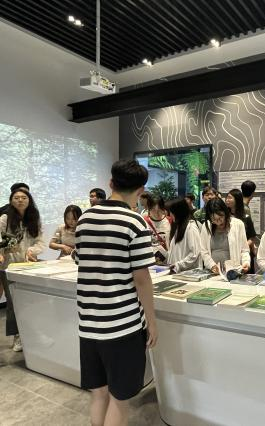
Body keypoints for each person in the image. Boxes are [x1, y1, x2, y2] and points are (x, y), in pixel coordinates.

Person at [74, 159, 157, 426]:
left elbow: (82, 261)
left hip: (88, 325)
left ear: (111, 183)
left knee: (98, 394)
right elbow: (141, 279)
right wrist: (152, 322)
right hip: (123, 326)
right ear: (141, 190)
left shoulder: (85, 218)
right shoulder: (135, 222)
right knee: (120, 400)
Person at [0, 188, 45, 352]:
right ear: (11, 201)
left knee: (30, 301)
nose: (20, 200)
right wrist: (2, 251)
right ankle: (18, 336)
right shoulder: (5, 218)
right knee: (13, 302)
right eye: (16, 197)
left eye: (24, 197)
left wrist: (32, 251)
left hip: (28, 266)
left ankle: (32, 334)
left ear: (29, 200)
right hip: (9, 267)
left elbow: (40, 241)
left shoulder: (34, 218)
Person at [200, 198, 250, 274]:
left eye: (221, 217)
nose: (218, 222)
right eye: (214, 219)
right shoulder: (206, 226)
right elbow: (204, 251)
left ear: (225, 212)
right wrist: (212, 265)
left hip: (233, 272)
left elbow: (244, 250)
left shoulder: (238, 224)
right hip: (213, 272)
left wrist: (246, 262)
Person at [166, 198, 201, 272]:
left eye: (171, 212)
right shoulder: (178, 227)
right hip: (177, 272)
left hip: (188, 273)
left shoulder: (191, 227)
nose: (170, 215)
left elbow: (194, 253)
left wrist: (178, 265)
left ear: (179, 212)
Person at [225, 189, 257, 257]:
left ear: (237, 199)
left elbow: (252, 237)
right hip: (230, 252)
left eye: (230, 197)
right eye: (226, 197)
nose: (227, 200)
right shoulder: (225, 217)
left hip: (244, 253)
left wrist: (243, 247)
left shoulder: (246, 217)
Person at [143, 195, 171, 263]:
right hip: (151, 261)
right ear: (148, 209)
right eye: (153, 210)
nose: (156, 214)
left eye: (159, 210)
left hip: (169, 260)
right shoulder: (144, 222)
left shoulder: (170, 221)